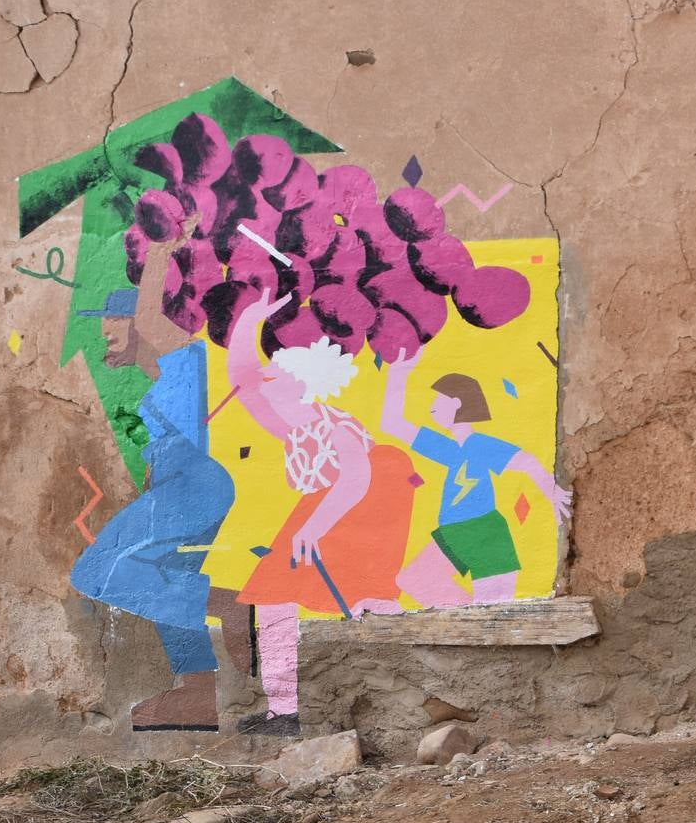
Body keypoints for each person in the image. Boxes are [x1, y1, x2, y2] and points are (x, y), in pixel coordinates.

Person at [67, 229, 253, 732]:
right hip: (187, 487)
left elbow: (153, 316)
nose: (105, 328)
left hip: (194, 487)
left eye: (114, 317)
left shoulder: (183, 358)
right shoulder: (162, 383)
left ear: (142, 325)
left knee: (97, 570)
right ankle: (197, 694)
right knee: (166, 576)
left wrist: (158, 249)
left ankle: (226, 604)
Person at [226, 289, 416, 735]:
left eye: (278, 373)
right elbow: (243, 379)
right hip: (322, 510)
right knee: (273, 593)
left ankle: (403, 695)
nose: (266, 378)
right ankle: (284, 710)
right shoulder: (289, 426)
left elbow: (356, 482)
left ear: (303, 384)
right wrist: (247, 322)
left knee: (369, 600)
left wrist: (314, 528)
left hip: (360, 514)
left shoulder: (335, 427)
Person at [377, 353, 571, 607]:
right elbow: (392, 424)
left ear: (457, 402)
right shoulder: (448, 449)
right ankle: (467, 613)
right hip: (455, 532)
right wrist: (398, 375)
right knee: (414, 580)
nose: (432, 406)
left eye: (439, 399)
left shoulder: (480, 445)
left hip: (485, 531)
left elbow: (528, 462)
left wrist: (552, 492)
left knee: (491, 607)